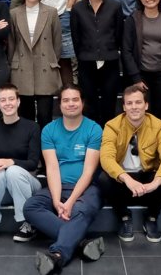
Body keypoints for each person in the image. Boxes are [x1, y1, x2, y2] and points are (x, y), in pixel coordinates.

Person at [24, 85, 105, 274]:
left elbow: (88, 171)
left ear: (82, 103)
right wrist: (56, 199)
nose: (71, 104)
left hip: (87, 188)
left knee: (80, 209)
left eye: (75, 99)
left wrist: (68, 202)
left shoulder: (93, 129)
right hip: (59, 186)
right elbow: (51, 168)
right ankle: (81, 242)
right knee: (30, 207)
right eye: (66, 100)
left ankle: (57, 256)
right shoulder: (49, 130)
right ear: (59, 105)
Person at [98, 86, 161, 243]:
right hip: (123, 180)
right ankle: (124, 216)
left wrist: (156, 182)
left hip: (147, 178)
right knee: (103, 179)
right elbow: (106, 157)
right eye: (129, 103)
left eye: (138, 102)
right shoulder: (112, 126)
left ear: (146, 105)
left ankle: (152, 217)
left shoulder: (159, 126)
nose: (134, 107)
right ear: (124, 107)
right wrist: (127, 179)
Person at [0, 84, 43, 243]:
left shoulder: (32, 127)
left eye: (11, 99)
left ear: (18, 102)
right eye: (3, 100)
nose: (7, 103)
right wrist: (0, 166)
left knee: (13, 171)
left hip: (28, 185)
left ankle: (27, 223)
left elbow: (33, 163)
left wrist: (11, 162)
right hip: (0, 188)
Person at [71, 0, 124, 126]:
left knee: (109, 106)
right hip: (86, 63)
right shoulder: (77, 9)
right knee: (89, 107)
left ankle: (109, 144)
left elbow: (119, 35)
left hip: (110, 62)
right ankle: (92, 143)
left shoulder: (115, 6)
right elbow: (76, 38)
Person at [8, 0, 63, 128]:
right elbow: (11, 44)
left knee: (45, 116)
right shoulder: (14, 13)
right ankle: (30, 151)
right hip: (21, 70)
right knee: (26, 118)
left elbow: (56, 42)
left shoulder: (51, 12)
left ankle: (45, 151)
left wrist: (51, 61)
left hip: (45, 68)